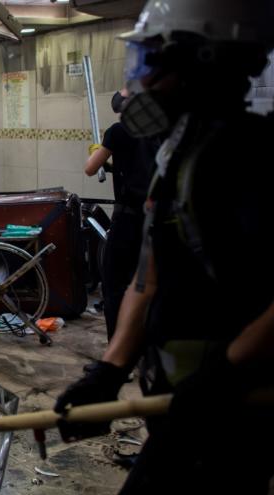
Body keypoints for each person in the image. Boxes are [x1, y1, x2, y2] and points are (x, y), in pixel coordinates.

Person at [54, 1, 274, 495]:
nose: (137, 83)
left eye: (148, 62)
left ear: (202, 60)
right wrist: (109, 371)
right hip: (188, 395)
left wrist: (227, 370)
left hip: (239, 401)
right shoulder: (177, 151)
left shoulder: (255, 154)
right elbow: (148, 279)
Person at [83, 90, 160, 339]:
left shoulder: (118, 130)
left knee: (115, 286)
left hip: (127, 221)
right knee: (148, 285)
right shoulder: (160, 131)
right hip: (156, 220)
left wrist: (99, 152)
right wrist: (112, 165)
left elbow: (89, 169)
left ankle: (117, 355)